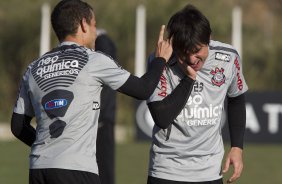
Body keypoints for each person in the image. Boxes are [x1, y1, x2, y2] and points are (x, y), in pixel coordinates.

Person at [10, 0, 173, 183]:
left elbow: (18, 127)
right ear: (83, 25)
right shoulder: (94, 61)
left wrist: (47, 149)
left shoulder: (33, 68)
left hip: (39, 169)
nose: (96, 32)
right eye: (94, 25)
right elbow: (144, 89)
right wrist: (160, 60)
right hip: (77, 170)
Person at [146, 4, 248, 184]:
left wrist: (237, 147)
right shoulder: (160, 60)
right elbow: (161, 117)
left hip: (210, 172)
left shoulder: (228, 58)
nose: (192, 59)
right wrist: (189, 79)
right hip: (166, 171)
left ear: (209, 38)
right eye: (185, 53)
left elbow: (236, 99)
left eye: (197, 51)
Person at [95, 28, 117, 184]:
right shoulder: (105, 43)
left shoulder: (102, 44)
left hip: (101, 119)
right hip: (104, 117)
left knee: (103, 170)